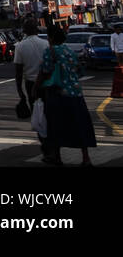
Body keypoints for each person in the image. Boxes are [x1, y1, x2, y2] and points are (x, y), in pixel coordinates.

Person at [36, 24, 96, 167]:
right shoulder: (70, 51)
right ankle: (86, 157)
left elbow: (45, 71)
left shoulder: (50, 52)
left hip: (57, 93)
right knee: (80, 124)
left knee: (55, 125)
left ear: (50, 38)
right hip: (75, 93)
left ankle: (56, 156)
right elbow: (80, 71)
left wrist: (35, 87)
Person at [13, 17, 49, 152]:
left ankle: (44, 141)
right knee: (49, 113)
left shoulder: (20, 46)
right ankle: (51, 142)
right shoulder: (45, 44)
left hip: (31, 86)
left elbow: (18, 72)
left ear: (24, 32)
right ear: (37, 30)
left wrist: (20, 91)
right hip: (48, 83)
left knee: (38, 114)